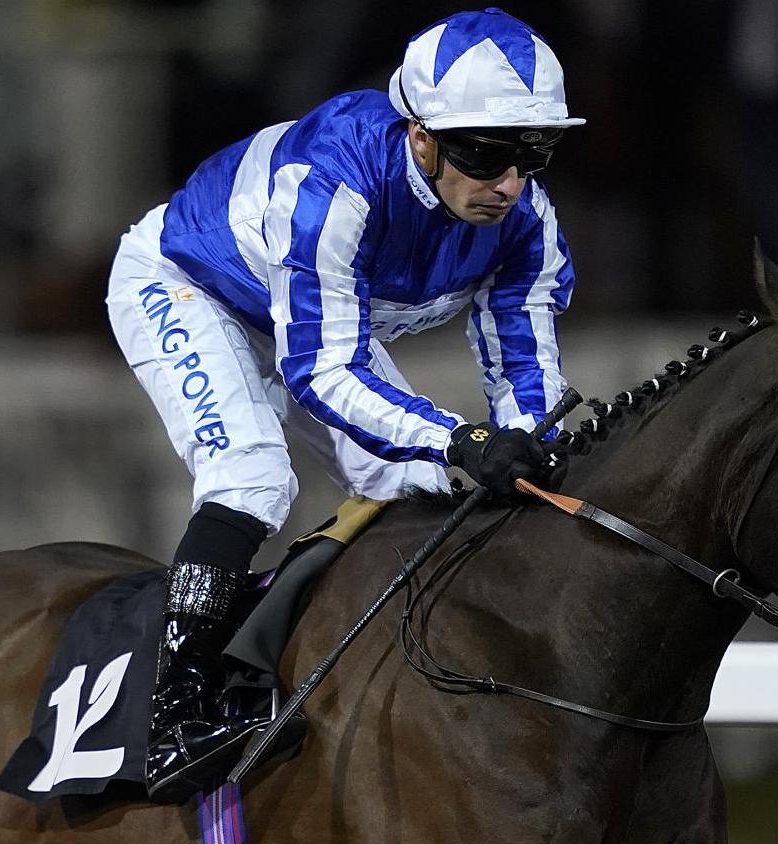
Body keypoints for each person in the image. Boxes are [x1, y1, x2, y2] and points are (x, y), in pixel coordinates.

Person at [106, 7, 581, 799]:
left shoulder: (525, 220)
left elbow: (525, 366)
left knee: (417, 488)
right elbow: (321, 374)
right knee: (253, 476)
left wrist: (522, 441)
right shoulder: (338, 185)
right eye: (486, 152)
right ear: (419, 137)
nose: (507, 181)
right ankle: (172, 714)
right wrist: (462, 439)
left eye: (533, 152)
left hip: (309, 318)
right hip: (191, 284)